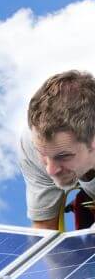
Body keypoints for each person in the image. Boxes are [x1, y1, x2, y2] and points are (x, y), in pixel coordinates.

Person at [19, 70, 95, 230]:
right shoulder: (32, 143)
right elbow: (44, 229)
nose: (51, 170)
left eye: (64, 156)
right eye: (43, 153)